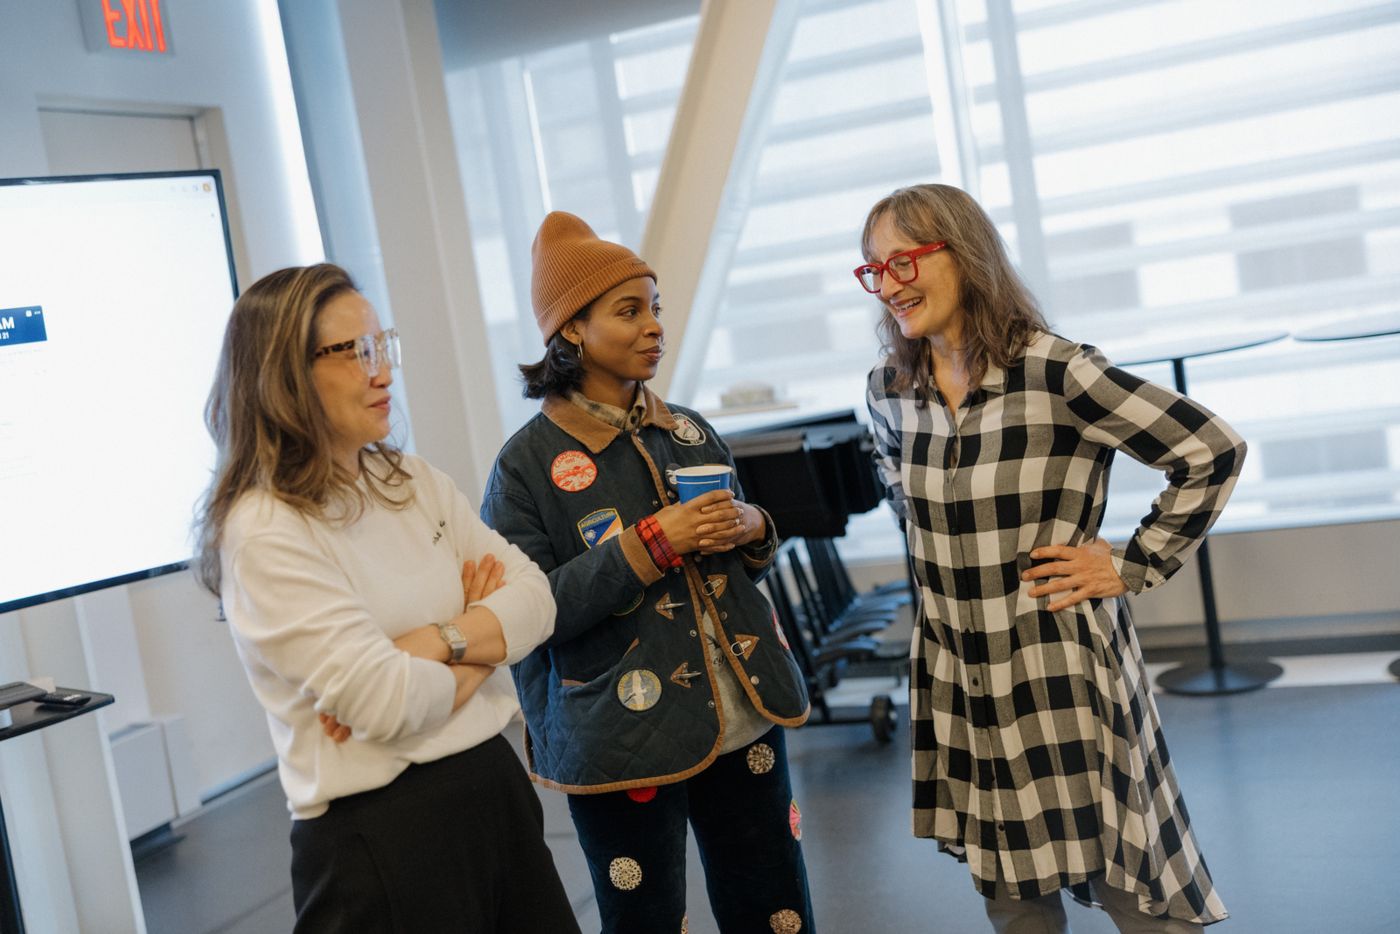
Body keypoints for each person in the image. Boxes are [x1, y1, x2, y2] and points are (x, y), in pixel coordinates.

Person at [858, 185, 1237, 933]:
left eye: (905, 259)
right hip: (963, 675)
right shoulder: (887, 394)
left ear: (964, 256)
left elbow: (1210, 450)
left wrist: (1131, 563)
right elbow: (915, 516)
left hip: (1059, 666)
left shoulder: (1058, 372)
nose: (890, 282)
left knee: (1136, 883)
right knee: (1012, 897)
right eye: (874, 269)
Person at [194, 263, 579, 933]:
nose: (383, 373)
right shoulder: (264, 530)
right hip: (382, 834)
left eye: (383, 346)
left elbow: (535, 600)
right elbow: (385, 701)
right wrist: (486, 644)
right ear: (286, 374)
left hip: (493, 795)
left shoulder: (409, 478)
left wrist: (436, 642)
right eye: (356, 352)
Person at [480, 212, 815, 934]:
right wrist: (651, 545)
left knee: (776, 907)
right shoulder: (523, 467)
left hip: (745, 709)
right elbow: (532, 612)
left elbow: (744, 563)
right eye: (628, 311)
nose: (654, 326)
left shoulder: (688, 428)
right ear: (571, 329)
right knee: (645, 918)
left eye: (655, 308)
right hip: (619, 734)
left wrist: (754, 527)